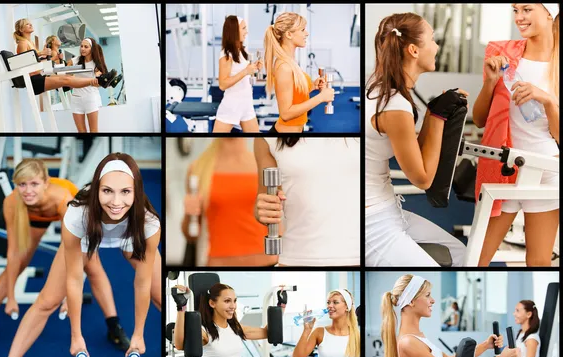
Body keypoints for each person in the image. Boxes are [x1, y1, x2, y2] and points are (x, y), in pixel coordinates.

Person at [0, 158, 131, 357]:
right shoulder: (13, 202)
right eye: (22, 184)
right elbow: (12, 254)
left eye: (34, 184)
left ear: (46, 183)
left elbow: (71, 253)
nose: (27, 190)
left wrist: (70, 296)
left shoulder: (66, 201)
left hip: (74, 226)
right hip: (35, 217)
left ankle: (114, 326)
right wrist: (11, 295)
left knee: (92, 269)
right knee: (29, 274)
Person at [364, 12, 468, 266]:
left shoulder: (380, 88)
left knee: (462, 255)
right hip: (373, 223)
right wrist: (438, 115)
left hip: (388, 208)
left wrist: (435, 112)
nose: (436, 46)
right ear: (413, 49)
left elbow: (411, 144)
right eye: (432, 40)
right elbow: (422, 179)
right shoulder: (395, 105)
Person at [473, 4, 559, 266]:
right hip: (504, 168)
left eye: (527, 9)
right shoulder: (504, 55)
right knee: (476, 258)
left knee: (539, 262)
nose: (519, 17)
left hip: (546, 171)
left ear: (549, 12)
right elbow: (479, 120)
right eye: (515, 10)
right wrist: (489, 83)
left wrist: (548, 101)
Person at [64, 153, 161, 357]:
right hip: (89, 235)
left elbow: (142, 283)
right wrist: (76, 335)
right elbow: (73, 279)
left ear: (136, 192)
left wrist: (139, 334)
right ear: (97, 189)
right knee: (49, 300)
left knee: (161, 295)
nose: (116, 202)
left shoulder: (149, 223)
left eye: (125, 191)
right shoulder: (77, 213)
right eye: (107, 191)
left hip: (128, 236)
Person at [380, 274, 522, 357]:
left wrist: (486, 345)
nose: (433, 300)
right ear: (411, 301)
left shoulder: (417, 338)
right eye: (428, 295)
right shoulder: (408, 343)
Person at [254, 137, 360, 266]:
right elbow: (265, 198)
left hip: (363, 254)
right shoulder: (267, 137)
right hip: (296, 257)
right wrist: (265, 210)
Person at [173, 283, 284, 357]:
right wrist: (181, 308)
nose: (233, 306)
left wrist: (281, 306)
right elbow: (180, 344)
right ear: (212, 303)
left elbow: (269, 332)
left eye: (234, 301)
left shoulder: (236, 328)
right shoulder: (205, 331)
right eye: (227, 301)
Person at [182, 138, 279, 266]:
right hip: (219, 264)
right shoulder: (198, 169)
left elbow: (277, 224)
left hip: (266, 262)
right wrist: (189, 214)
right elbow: (191, 235)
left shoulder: (264, 166)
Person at [262, 12, 333, 133]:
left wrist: (312, 86)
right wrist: (320, 98)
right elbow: (286, 113)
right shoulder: (284, 66)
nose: (307, 33)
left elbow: (294, 93)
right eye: (302, 30)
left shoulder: (290, 61)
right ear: (289, 34)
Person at [13, 19, 117, 97]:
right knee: (67, 79)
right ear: (21, 29)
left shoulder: (30, 43)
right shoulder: (22, 43)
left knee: (70, 78)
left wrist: (42, 57)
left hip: (40, 75)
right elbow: (24, 65)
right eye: (27, 24)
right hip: (33, 80)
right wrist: (41, 54)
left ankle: (101, 81)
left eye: (30, 23)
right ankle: (99, 81)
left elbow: (34, 62)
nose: (30, 24)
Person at [292, 289, 361, 357]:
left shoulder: (355, 335)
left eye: (335, 302)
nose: (330, 306)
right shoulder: (319, 332)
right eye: (328, 302)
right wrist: (306, 330)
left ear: (347, 307)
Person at [66, 37, 109, 133]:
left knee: (93, 131)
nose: (82, 49)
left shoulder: (96, 63)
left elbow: (99, 84)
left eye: (86, 47)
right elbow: (66, 78)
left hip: (91, 98)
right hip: (76, 99)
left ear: (91, 49)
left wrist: (98, 79)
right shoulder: (74, 61)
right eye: (81, 46)